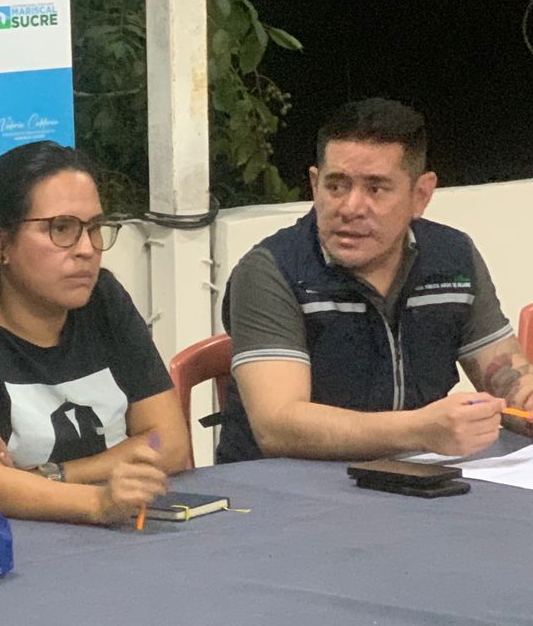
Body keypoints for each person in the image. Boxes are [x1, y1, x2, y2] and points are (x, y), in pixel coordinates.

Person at [219, 97, 531, 463]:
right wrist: (419, 430)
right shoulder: (271, 270)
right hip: (282, 485)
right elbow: (278, 426)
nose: (351, 208)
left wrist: (524, 401)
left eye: (375, 189)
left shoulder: (453, 258)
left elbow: (506, 375)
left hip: (413, 475)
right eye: (336, 186)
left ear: (421, 195)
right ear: (314, 185)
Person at [0, 141, 187, 524]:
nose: (87, 249)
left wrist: (51, 476)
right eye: (61, 229)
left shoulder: (104, 300)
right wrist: (99, 501)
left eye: (95, 228)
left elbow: (168, 442)